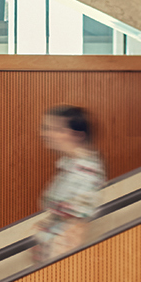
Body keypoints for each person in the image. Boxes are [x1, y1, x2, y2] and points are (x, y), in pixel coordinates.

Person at [33, 105, 106, 264]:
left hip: (59, 263)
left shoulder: (85, 172)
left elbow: (77, 228)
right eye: (45, 128)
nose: (46, 134)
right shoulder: (69, 166)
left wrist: (53, 269)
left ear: (78, 135)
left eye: (56, 129)